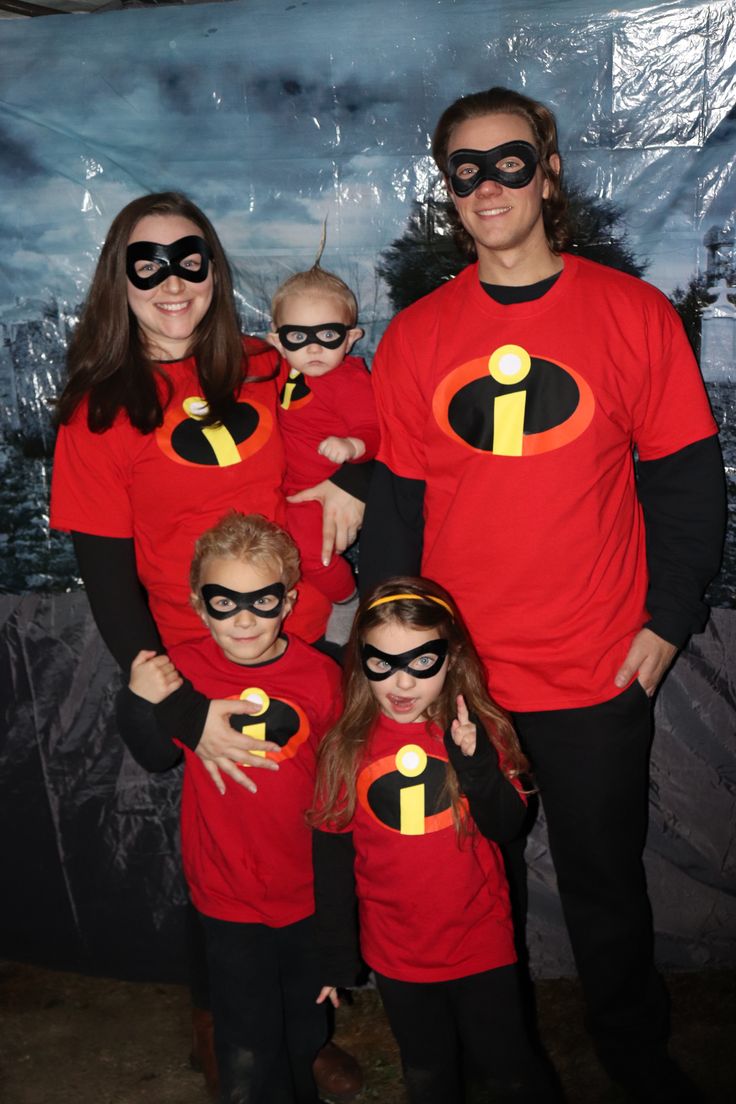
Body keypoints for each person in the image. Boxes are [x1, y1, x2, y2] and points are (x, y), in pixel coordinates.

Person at [359, 88, 726, 1103]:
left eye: (509, 161)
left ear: (548, 166)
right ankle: (500, 1072)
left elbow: (689, 484)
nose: (488, 185)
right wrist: (394, 662)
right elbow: (393, 518)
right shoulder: (417, 339)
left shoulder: (631, 315)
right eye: (465, 169)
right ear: (447, 189)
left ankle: (636, 1063)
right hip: (461, 679)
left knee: (608, 891)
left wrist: (665, 624)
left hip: (596, 667)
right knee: (471, 892)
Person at [50, 192, 363, 1100]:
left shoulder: (271, 367)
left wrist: (356, 485)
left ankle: (303, 1023)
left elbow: (352, 426)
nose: (172, 282)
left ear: (216, 271)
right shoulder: (100, 411)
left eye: (190, 259)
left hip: (305, 644)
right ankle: (226, 1026)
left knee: (307, 827)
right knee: (224, 843)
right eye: (146, 265)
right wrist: (183, 704)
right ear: (120, 280)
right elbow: (107, 576)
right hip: (199, 666)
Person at [119, 511, 341, 1104]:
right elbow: (151, 756)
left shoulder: (322, 677)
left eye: (263, 600)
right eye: (223, 601)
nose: (244, 618)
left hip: (306, 895)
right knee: (246, 1038)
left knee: (303, 1027)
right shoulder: (184, 671)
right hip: (227, 895)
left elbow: (342, 787)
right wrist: (140, 702)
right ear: (197, 603)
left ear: (289, 601)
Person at [310, 578, 559, 1104]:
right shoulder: (345, 748)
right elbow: (331, 861)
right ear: (361, 660)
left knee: (510, 1069)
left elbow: (507, 825)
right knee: (427, 1073)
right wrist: (335, 956)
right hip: (399, 956)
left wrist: (478, 768)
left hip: (480, 945)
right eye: (383, 662)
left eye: (420, 661)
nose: (401, 682)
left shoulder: (479, 730)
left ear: (452, 658)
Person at [267, 262, 379, 614]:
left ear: (350, 338)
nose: (313, 349)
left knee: (314, 556)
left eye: (327, 335)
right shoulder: (280, 369)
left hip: (321, 493)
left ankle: (348, 602)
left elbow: (375, 431)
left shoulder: (349, 382)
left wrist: (351, 446)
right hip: (284, 489)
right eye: (298, 337)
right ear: (277, 341)